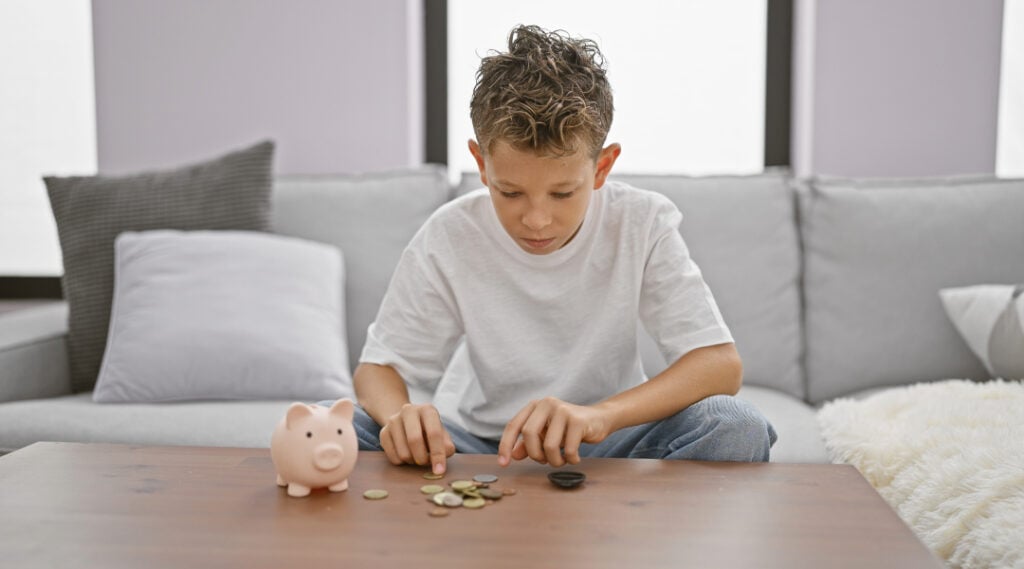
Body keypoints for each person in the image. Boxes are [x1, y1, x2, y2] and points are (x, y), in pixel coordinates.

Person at [322, 24, 776, 475]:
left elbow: (720, 366)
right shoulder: (450, 234)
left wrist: (601, 415)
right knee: (329, 425)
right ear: (481, 165)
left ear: (602, 167)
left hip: (607, 439)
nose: (536, 220)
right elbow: (378, 368)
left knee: (735, 424)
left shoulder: (643, 222)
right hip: (476, 445)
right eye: (510, 192)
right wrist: (401, 416)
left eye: (562, 194)